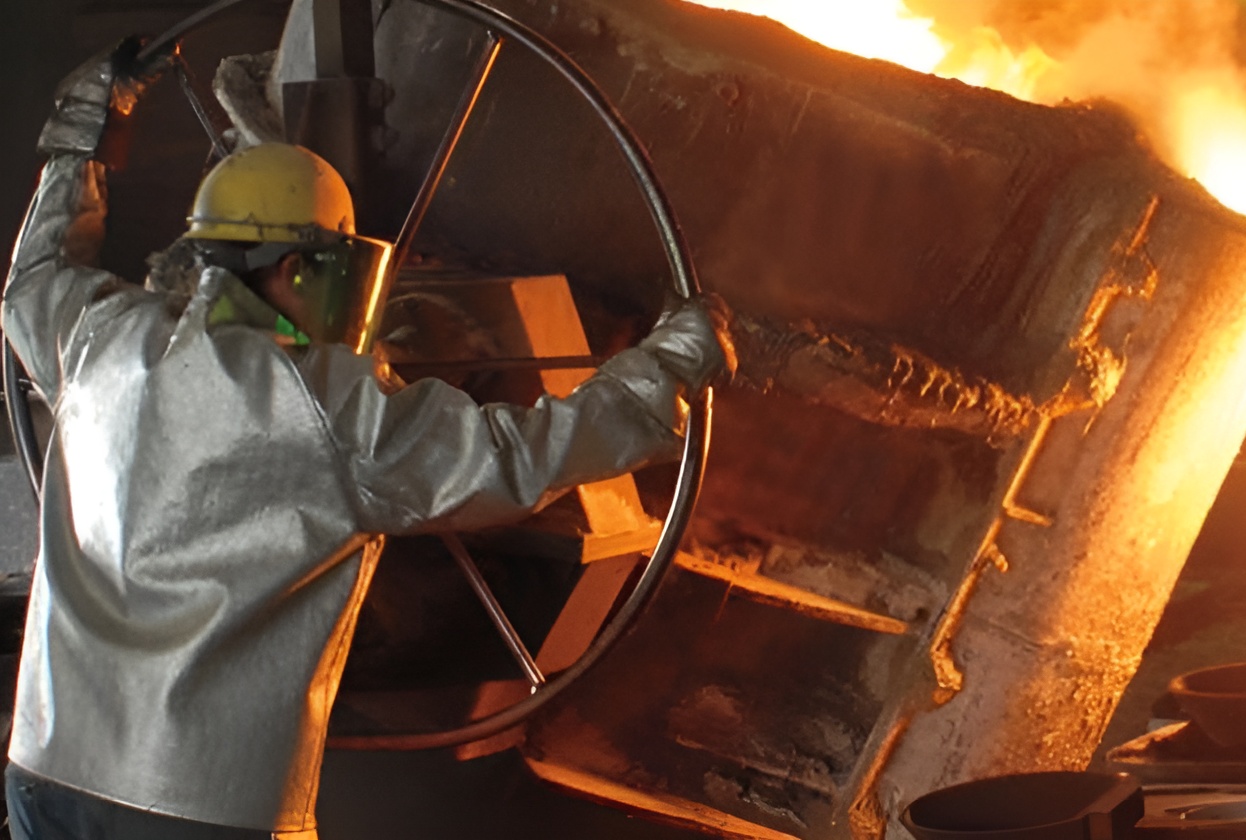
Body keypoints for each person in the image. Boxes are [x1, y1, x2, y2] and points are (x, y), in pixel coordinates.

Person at [2, 43, 731, 839]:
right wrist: (664, 369)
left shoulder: (98, 339)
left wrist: (83, 134)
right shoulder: (327, 406)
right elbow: (518, 458)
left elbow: (33, 281)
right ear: (297, 267)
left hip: (46, 771)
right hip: (203, 809)